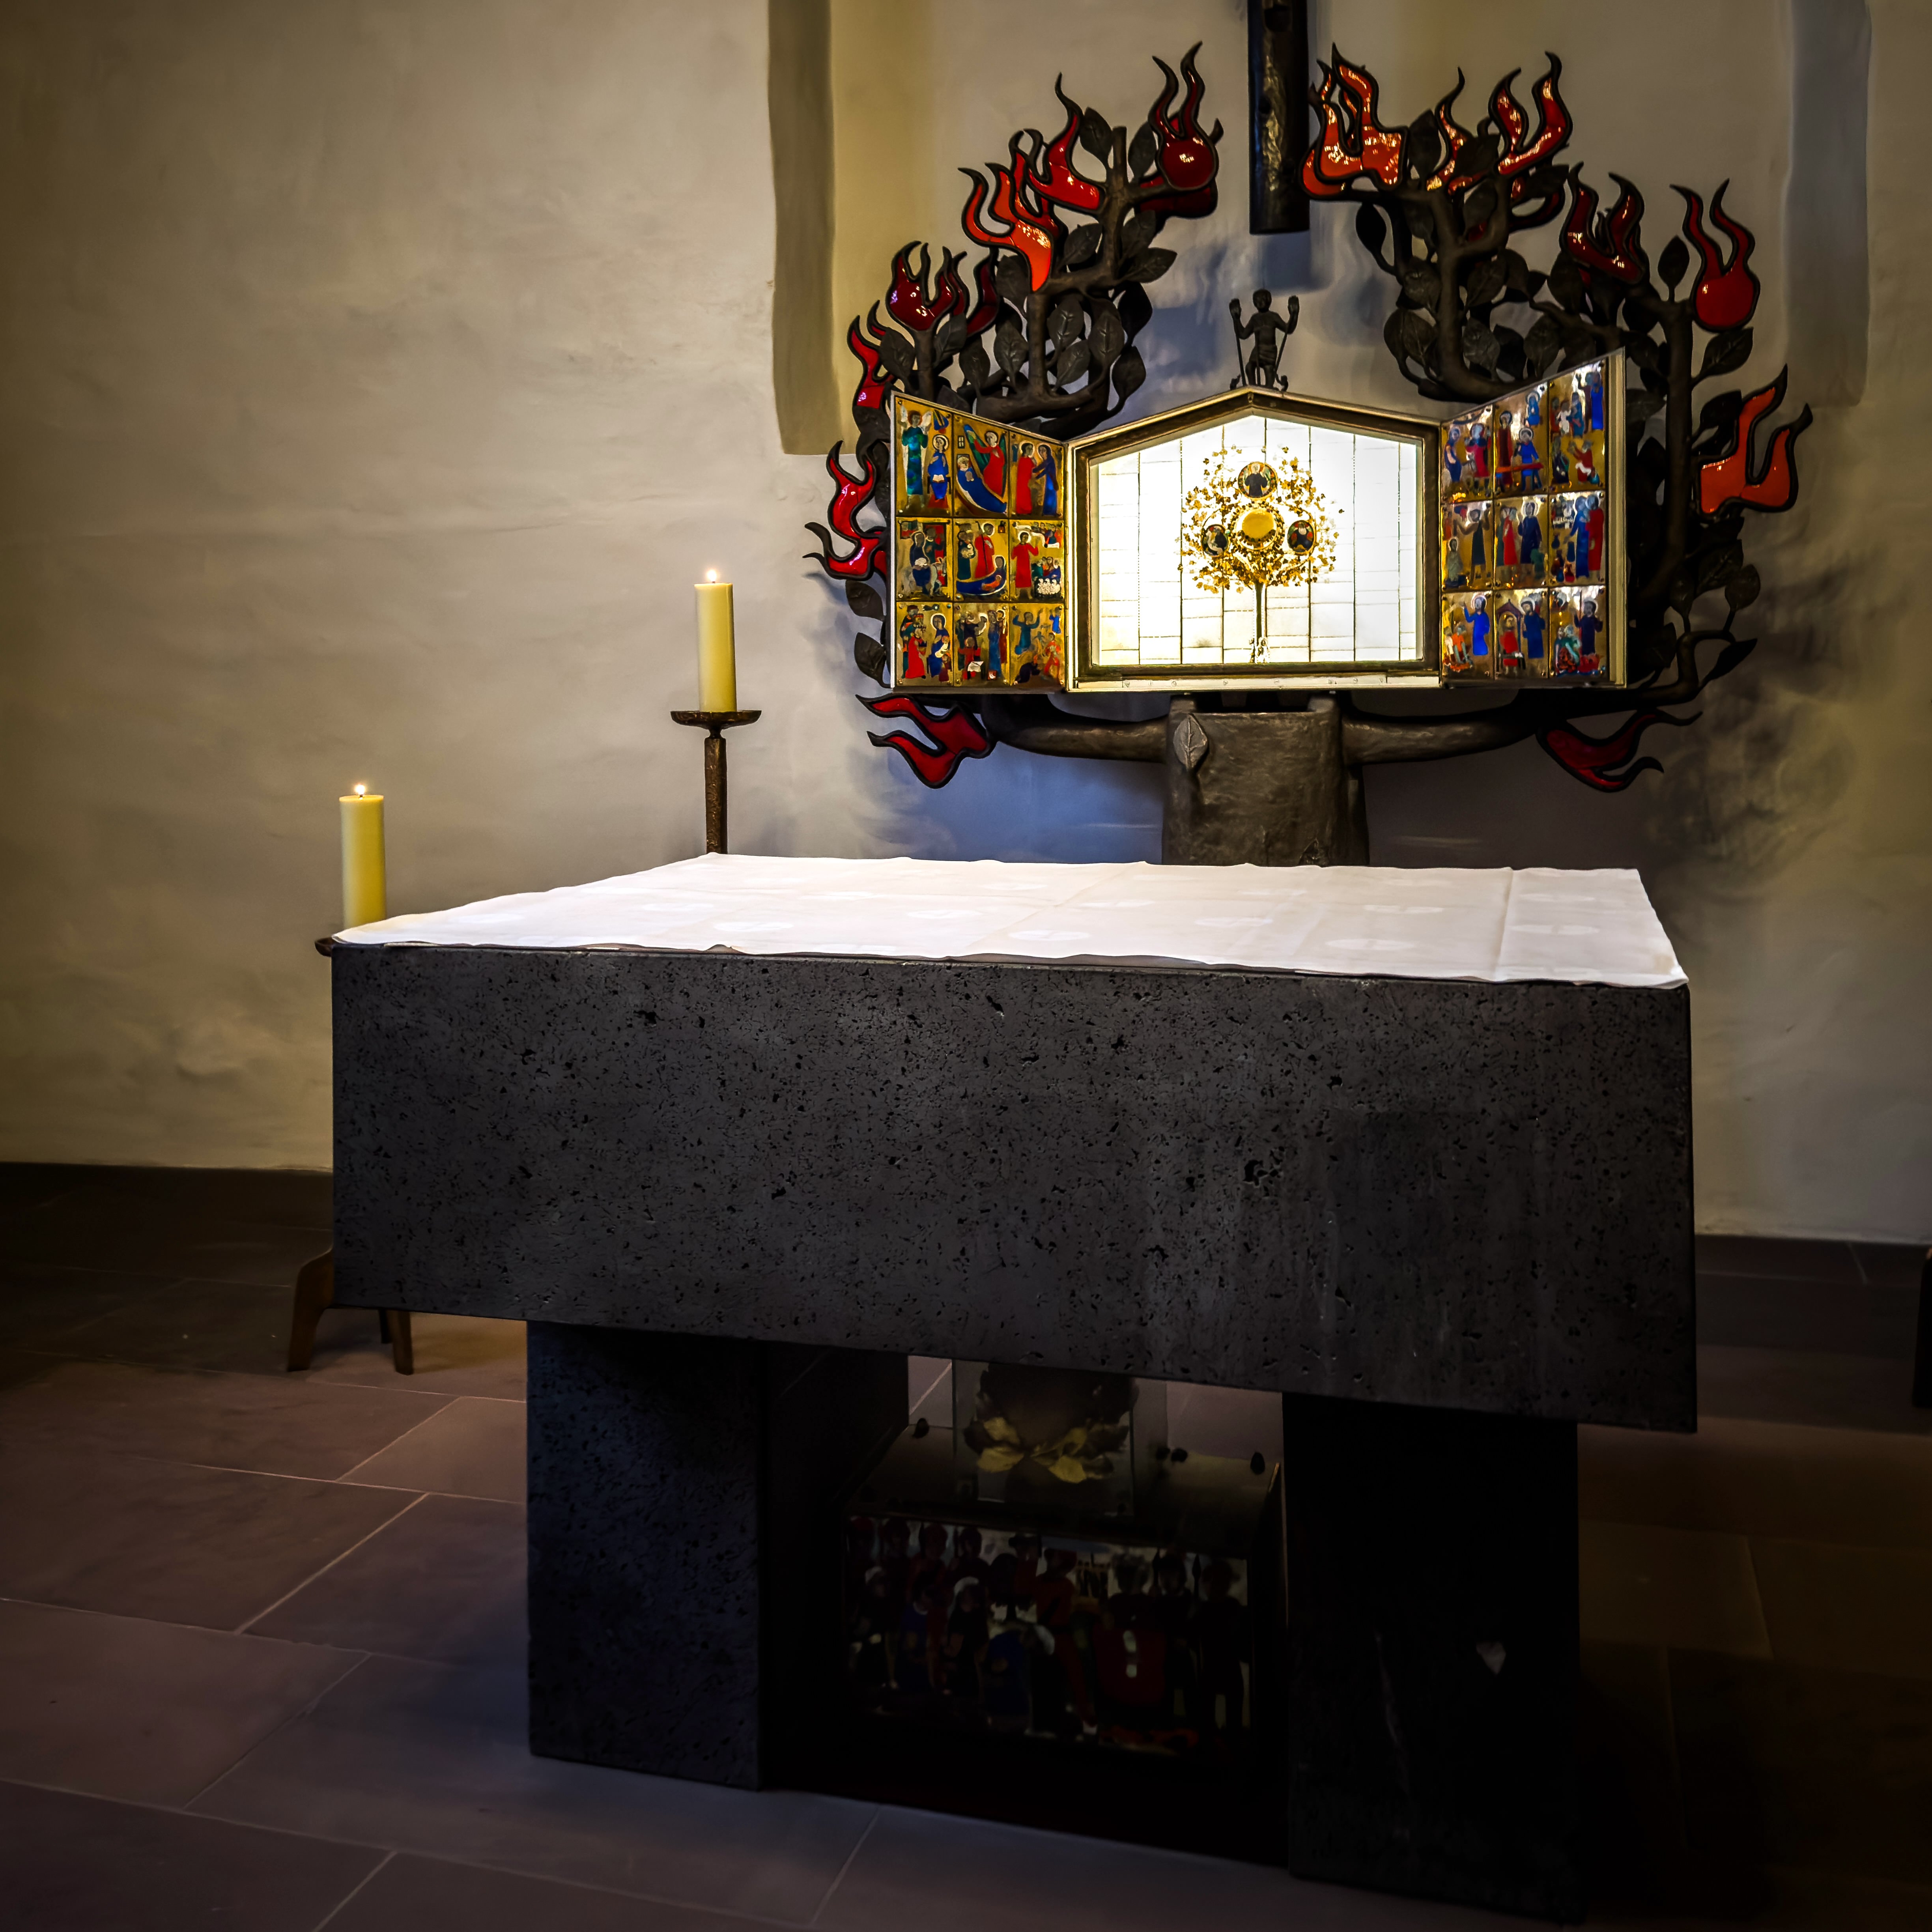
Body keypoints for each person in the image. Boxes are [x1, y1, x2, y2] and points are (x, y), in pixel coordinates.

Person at [1229, 287, 1299, 389]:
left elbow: (1289, 329)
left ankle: (1268, 388)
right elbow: (1243, 334)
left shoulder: (1273, 317)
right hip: (1258, 349)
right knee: (1249, 367)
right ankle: (1253, 388)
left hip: (1270, 350)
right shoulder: (1255, 319)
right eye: (1257, 301)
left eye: (1262, 299)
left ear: (1268, 300)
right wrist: (1236, 319)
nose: (1259, 303)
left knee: (1269, 369)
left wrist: (1294, 314)